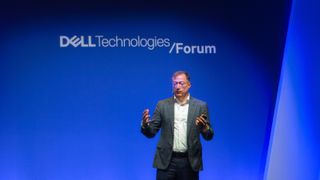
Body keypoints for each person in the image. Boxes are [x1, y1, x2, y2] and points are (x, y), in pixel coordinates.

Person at [141, 71, 214, 180]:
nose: (178, 87)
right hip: (166, 161)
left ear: (189, 85)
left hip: (189, 161)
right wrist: (145, 125)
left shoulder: (200, 106)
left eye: (181, 83)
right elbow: (151, 133)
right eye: (175, 83)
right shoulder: (162, 105)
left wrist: (204, 128)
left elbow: (209, 136)